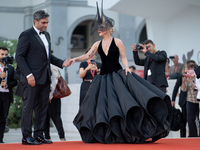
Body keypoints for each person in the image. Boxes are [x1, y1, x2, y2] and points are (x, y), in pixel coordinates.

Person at [68, 1, 171, 144]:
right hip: (102, 77)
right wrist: (74, 59)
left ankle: (125, 132)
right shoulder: (96, 44)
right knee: (102, 106)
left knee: (120, 104)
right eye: (99, 28)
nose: (99, 30)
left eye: (102, 28)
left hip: (117, 75)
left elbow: (123, 57)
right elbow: (87, 56)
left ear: (109, 29)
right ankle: (107, 133)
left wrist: (127, 67)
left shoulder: (118, 41)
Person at [15, 10, 71, 145]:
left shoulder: (47, 35)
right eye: (43, 22)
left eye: (47, 22)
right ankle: (26, 136)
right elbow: (19, 56)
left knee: (42, 108)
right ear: (35, 21)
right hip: (31, 78)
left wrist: (62, 63)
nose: (46, 25)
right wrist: (28, 75)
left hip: (45, 77)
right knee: (29, 107)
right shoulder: (26, 35)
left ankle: (39, 135)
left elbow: (48, 57)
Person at [171, 60, 196, 137]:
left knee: (192, 119)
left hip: (193, 100)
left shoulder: (195, 76)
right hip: (183, 101)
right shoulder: (181, 77)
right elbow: (176, 88)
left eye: (188, 68)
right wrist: (173, 99)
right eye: (185, 68)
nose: (186, 70)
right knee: (184, 120)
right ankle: (183, 137)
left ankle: (193, 135)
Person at [44, 64, 66, 141]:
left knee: (55, 116)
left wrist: (50, 95)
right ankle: (47, 137)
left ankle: (62, 137)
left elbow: (54, 81)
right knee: (46, 117)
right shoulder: (47, 65)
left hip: (52, 95)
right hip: (49, 95)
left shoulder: (51, 66)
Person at [0, 47, 17, 143]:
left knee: (3, 118)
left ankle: (0, 139)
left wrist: (8, 85)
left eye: (6, 54)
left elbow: (15, 81)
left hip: (6, 95)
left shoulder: (10, 68)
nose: (4, 56)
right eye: (2, 54)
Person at [182, 63, 199, 137]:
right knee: (190, 118)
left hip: (198, 100)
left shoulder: (198, 76)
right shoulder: (186, 77)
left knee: (199, 119)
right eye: (190, 68)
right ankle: (193, 135)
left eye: (193, 68)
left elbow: (196, 87)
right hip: (190, 100)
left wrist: (195, 85)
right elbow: (184, 89)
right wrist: (183, 81)